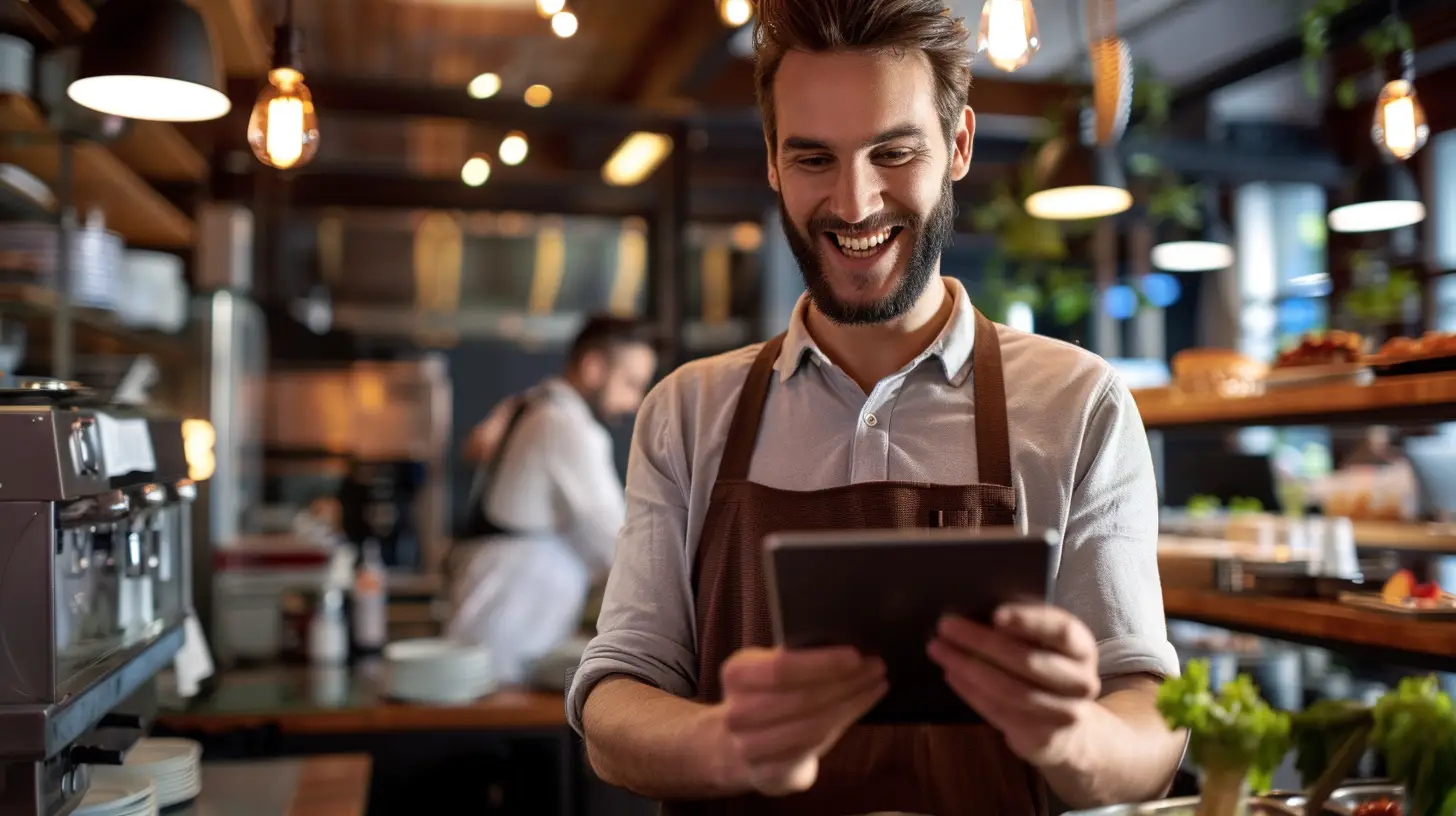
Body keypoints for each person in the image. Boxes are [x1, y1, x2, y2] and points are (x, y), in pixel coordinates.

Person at [566, 1, 1186, 813]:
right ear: (772, 162)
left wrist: (1071, 734)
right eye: (814, 158)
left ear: (958, 145)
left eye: (893, 152)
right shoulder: (687, 411)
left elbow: (1151, 727)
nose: (854, 204)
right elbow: (615, 699)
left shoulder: (1080, 404)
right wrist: (727, 745)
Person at [446, 315, 657, 685]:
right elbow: (618, 545)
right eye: (630, 384)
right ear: (593, 368)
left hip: (499, 635)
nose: (633, 402)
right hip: (506, 645)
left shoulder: (533, 405)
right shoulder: (566, 426)